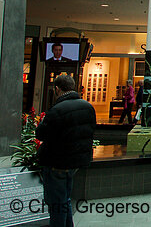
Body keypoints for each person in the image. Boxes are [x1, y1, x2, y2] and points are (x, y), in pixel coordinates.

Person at [36, 74, 96, 227]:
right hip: (75, 162)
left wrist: (42, 123)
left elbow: (42, 134)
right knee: (65, 198)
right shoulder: (87, 106)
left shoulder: (57, 110)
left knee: (56, 203)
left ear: (57, 89)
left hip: (58, 162)